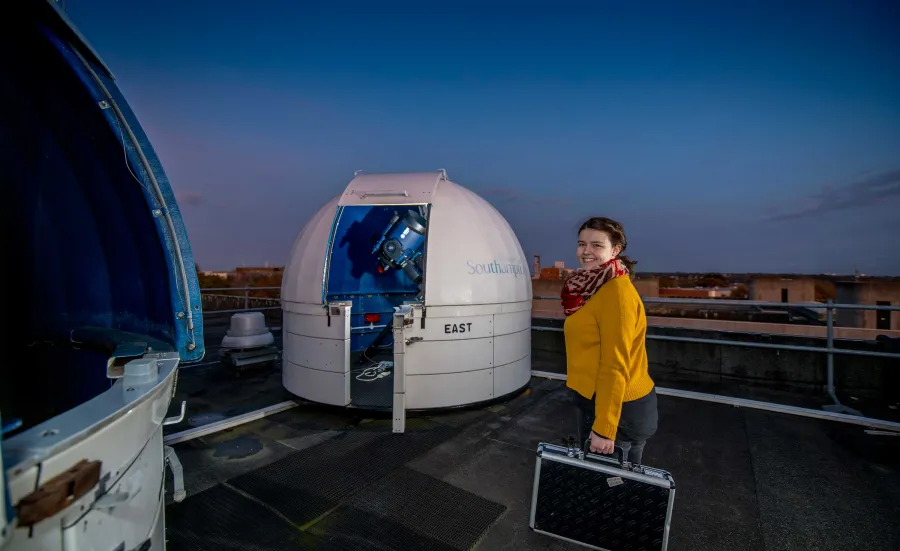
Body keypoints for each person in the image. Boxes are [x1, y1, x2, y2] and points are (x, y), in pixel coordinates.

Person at [561, 216, 658, 465]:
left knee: (612, 493)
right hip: (598, 402)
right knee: (603, 489)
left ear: (615, 250)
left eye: (596, 245)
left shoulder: (616, 292)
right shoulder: (593, 287)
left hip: (618, 413)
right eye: (582, 244)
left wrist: (605, 428)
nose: (586, 251)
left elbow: (614, 364)